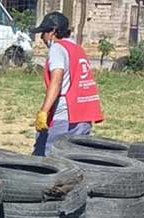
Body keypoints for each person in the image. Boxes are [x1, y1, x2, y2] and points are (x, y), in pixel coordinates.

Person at [31, 12, 103, 156]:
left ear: (52, 32)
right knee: (75, 159)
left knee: (45, 158)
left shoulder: (57, 49)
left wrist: (44, 112)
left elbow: (56, 81)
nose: (42, 37)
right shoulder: (77, 48)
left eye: (43, 32)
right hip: (84, 115)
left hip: (64, 116)